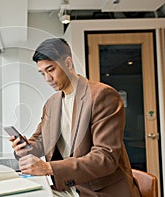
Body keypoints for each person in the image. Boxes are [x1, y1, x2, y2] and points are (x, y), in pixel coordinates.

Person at [9, 38, 141, 197]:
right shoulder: (52, 104)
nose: (47, 78)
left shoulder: (103, 96)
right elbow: (40, 141)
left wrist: (49, 168)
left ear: (68, 63)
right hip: (66, 186)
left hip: (98, 191)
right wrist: (23, 148)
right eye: (42, 73)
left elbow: (105, 158)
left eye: (51, 69)